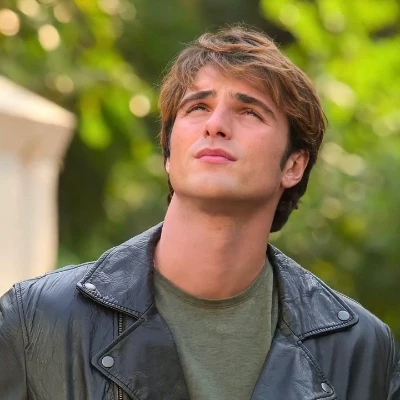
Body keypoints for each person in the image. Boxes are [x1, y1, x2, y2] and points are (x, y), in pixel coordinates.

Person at [0, 25, 399, 400]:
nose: (216, 125)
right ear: (169, 153)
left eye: (250, 112)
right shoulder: (37, 322)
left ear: (293, 165)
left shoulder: (361, 348)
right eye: (197, 107)